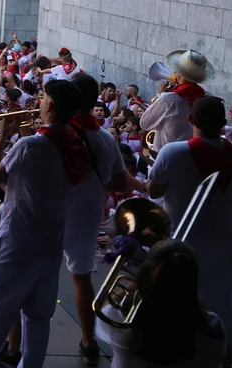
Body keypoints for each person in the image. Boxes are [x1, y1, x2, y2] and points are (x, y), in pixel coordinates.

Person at [0, 79, 85, 368]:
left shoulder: (29, 145)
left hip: (16, 243)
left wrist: (2, 138)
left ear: (50, 105)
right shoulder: (76, 146)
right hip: (50, 245)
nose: (38, 103)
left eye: (42, 99)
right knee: (38, 321)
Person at [65, 72, 146, 366]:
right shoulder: (104, 138)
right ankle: (88, 341)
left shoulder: (53, 134)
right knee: (81, 277)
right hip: (87, 212)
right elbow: (119, 183)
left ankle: (15, 344)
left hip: (51, 212)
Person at [147, 95, 232, 362]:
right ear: (223, 123)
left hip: (181, 245)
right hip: (225, 246)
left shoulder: (173, 152)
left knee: (176, 305)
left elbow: (153, 191)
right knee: (221, 305)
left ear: (190, 119)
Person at [103, 240, 225, 368]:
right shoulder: (213, 328)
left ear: (144, 274)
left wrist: (135, 285)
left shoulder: (117, 320)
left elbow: (103, 315)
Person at [142, 50, 212, 152]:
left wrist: (160, 95)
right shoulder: (206, 99)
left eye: (176, 69)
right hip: (191, 155)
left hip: (165, 154)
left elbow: (144, 123)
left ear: (179, 72)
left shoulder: (168, 99)